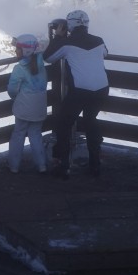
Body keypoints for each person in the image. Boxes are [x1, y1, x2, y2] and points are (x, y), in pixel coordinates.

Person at [43, 10, 109, 178]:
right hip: (102, 89)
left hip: (80, 90)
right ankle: (95, 163)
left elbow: (48, 58)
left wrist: (58, 37)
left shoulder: (67, 43)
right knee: (90, 120)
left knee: (63, 124)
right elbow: (105, 53)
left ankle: (63, 164)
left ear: (69, 25)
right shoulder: (99, 40)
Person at [6, 34, 49, 174]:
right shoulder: (41, 65)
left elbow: (12, 90)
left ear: (25, 51)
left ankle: (14, 165)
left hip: (23, 107)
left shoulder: (19, 68)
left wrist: (15, 97)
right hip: (39, 106)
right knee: (35, 134)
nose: (15, 51)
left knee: (18, 135)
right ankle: (41, 165)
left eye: (18, 49)